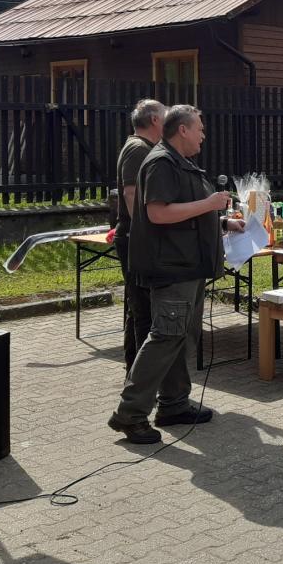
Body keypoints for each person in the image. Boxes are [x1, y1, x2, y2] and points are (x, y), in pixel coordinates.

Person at [108, 105, 244, 445]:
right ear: (182, 130)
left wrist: (224, 222)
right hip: (172, 267)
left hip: (190, 266)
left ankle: (174, 404)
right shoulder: (161, 162)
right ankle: (130, 413)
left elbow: (185, 211)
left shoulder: (181, 163)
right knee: (166, 336)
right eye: (199, 128)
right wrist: (210, 205)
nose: (203, 135)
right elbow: (158, 213)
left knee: (183, 336)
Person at [114, 99, 166, 370]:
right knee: (143, 310)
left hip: (136, 237)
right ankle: (141, 378)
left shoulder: (144, 147)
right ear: (155, 120)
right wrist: (148, 233)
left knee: (137, 308)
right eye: (165, 115)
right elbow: (131, 193)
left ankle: (134, 373)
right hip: (136, 239)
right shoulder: (137, 149)